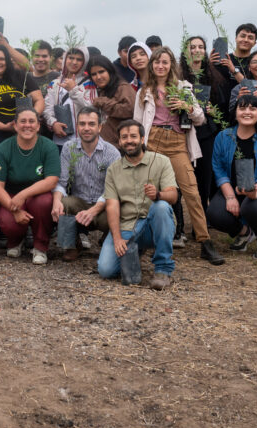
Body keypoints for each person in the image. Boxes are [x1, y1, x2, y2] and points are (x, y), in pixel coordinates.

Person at [132, 47, 223, 265]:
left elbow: (200, 119)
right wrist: (138, 147)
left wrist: (187, 106)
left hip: (177, 141)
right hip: (152, 139)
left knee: (191, 191)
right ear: (152, 65)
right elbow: (137, 122)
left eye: (164, 62)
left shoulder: (183, 88)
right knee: (149, 191)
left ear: (171, 64)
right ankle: (147, 240)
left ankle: (205, 241)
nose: (160, 66)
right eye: (156, 62)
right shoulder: (144, 91)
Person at [97, 120, 178, 289]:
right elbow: (112, 205)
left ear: (142, 139)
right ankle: (135, 250)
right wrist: (117, 238)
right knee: (106, 270)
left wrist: (158, 194)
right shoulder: (114, 169)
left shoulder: (161, 161)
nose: (129, 141)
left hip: (153, 224)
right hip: (127, 226)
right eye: (124, 137)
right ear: (119, 142)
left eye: (133, 136)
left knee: (161, 206)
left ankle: (163, 270)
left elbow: (173, 196)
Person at [207, 95, 257, 260]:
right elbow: (218, 169)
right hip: (233, 189)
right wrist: (229, 197)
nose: (247, 112)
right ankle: (245, 233)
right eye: (242, 108)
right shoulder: (223, 137)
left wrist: (254, 193)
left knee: (252, 207)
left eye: (252, 108)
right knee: (214, 214)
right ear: (235, 113)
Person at [0, 107, 60, 264]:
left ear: (38, 126)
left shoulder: (48, 146)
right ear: (15, 125)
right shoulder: (3, 148)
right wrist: (14, 210)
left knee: (44, 203)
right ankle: (15, 242)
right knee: (8, 221)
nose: (27, 125)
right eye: (22, 121)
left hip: (38, 194)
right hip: (11, 196)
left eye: (31, 121)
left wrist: (24, 194)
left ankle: (40, 247)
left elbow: (52, 180)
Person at [51, 107, 121, 261]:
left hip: (104, 206)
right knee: (63, 202)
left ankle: (108, 239)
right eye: (82, 124)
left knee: (121, 209)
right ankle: (72, 245)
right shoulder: (69, 148)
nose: (86, 128)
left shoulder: (112, 152)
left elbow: (114, 189)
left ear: (100, 127)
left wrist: (95, 210)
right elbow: (62, 182)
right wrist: (56, 201)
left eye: (91, 124)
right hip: (80, 204)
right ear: (77, 127)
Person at [179, 36, 227, 210]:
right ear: (186, 51)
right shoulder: (178, 77)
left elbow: (222, 108)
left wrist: (213, 112)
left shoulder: (213, 77)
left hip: (207, 133)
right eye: (192, 47)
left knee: (205, 176)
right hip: (183, 132)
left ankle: (204, 216)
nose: (197, 50)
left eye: (201, 46)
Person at [0, 45, 45, 151]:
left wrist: (29, 120)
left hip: (27, 134)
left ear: (8, 61)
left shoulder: (21, 76)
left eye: (2, 59)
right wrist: (4, 127)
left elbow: (39, 99)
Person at [43, 46, 95, 147]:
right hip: (60, 141)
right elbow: (47, 108)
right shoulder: (55, 83)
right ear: (65, 59)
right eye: (71, 58)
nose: (74, 62)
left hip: (84, 141)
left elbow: (91, 109)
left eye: (79, 59)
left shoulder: (89, 83)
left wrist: (73, 90)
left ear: (85, 62)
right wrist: (53, 124)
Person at [86, 56, 135, 147]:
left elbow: (129, 110)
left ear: (110, 70)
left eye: (101, 72)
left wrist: (103, 102)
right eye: (94, 74)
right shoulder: (102, 90)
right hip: (105, 145)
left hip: (121, 146)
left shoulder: (123, 87)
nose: (98, 77)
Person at [210, 22, 257, 101]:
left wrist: (234, 70)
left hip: (245, 109)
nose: (246, 40)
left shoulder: (256, 64)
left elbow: (251, 89)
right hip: (220, 110)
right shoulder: (223, 59)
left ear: (254, 43)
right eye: (243, 36)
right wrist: (209, 65)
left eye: (250, 37)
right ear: (236, 38)